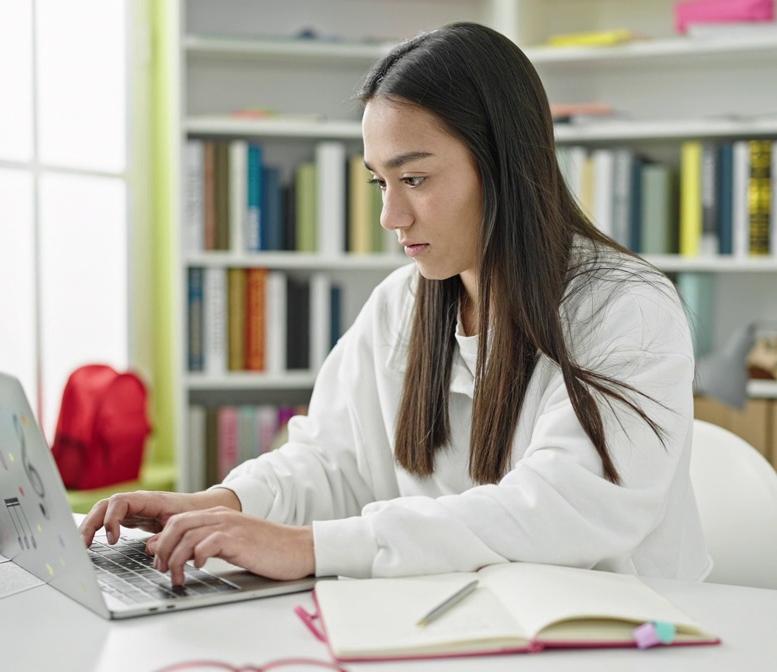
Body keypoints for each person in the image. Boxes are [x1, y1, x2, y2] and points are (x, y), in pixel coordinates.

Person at [80, 21, 710, 586]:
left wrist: (312, 547)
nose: (390, 215)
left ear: (504, 166)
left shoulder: (628, 309)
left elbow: (559, 510)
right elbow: (331, 461)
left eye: (415, 179)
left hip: (615, 640)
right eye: (380, 181)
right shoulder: (402, 304)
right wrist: (222, 503)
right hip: (460, 626)